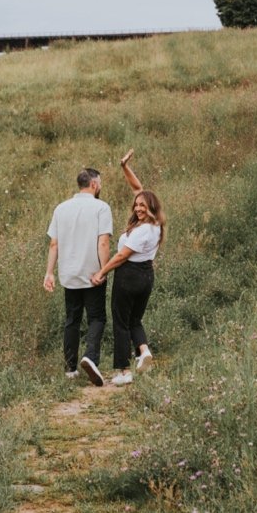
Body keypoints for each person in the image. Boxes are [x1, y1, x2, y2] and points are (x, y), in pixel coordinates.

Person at [90, 149, 162, 386]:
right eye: (137, 205)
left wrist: (101, 272)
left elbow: (121, 256)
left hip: (129, 276)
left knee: (120, 322)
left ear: (150, 207)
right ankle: (144, 351)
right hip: (146, 276)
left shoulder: (141, 232)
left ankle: (124, 371)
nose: (138, 208)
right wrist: (124, 167)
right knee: (135, 320)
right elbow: (137, 188)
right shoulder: (156, 225)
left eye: (143, 206)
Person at [44, 166, 112, 385]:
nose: (100, 186)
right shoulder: (102, 208)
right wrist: (104, 270)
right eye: (99, 183)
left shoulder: (61, 209)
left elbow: (54, 243)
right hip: (93, 273)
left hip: (69, 274)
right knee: (97, 318)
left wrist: (49, 273)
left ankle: (70, 369)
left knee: (71, 320)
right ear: (93, 184)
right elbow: (103, 242)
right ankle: (90, 357)